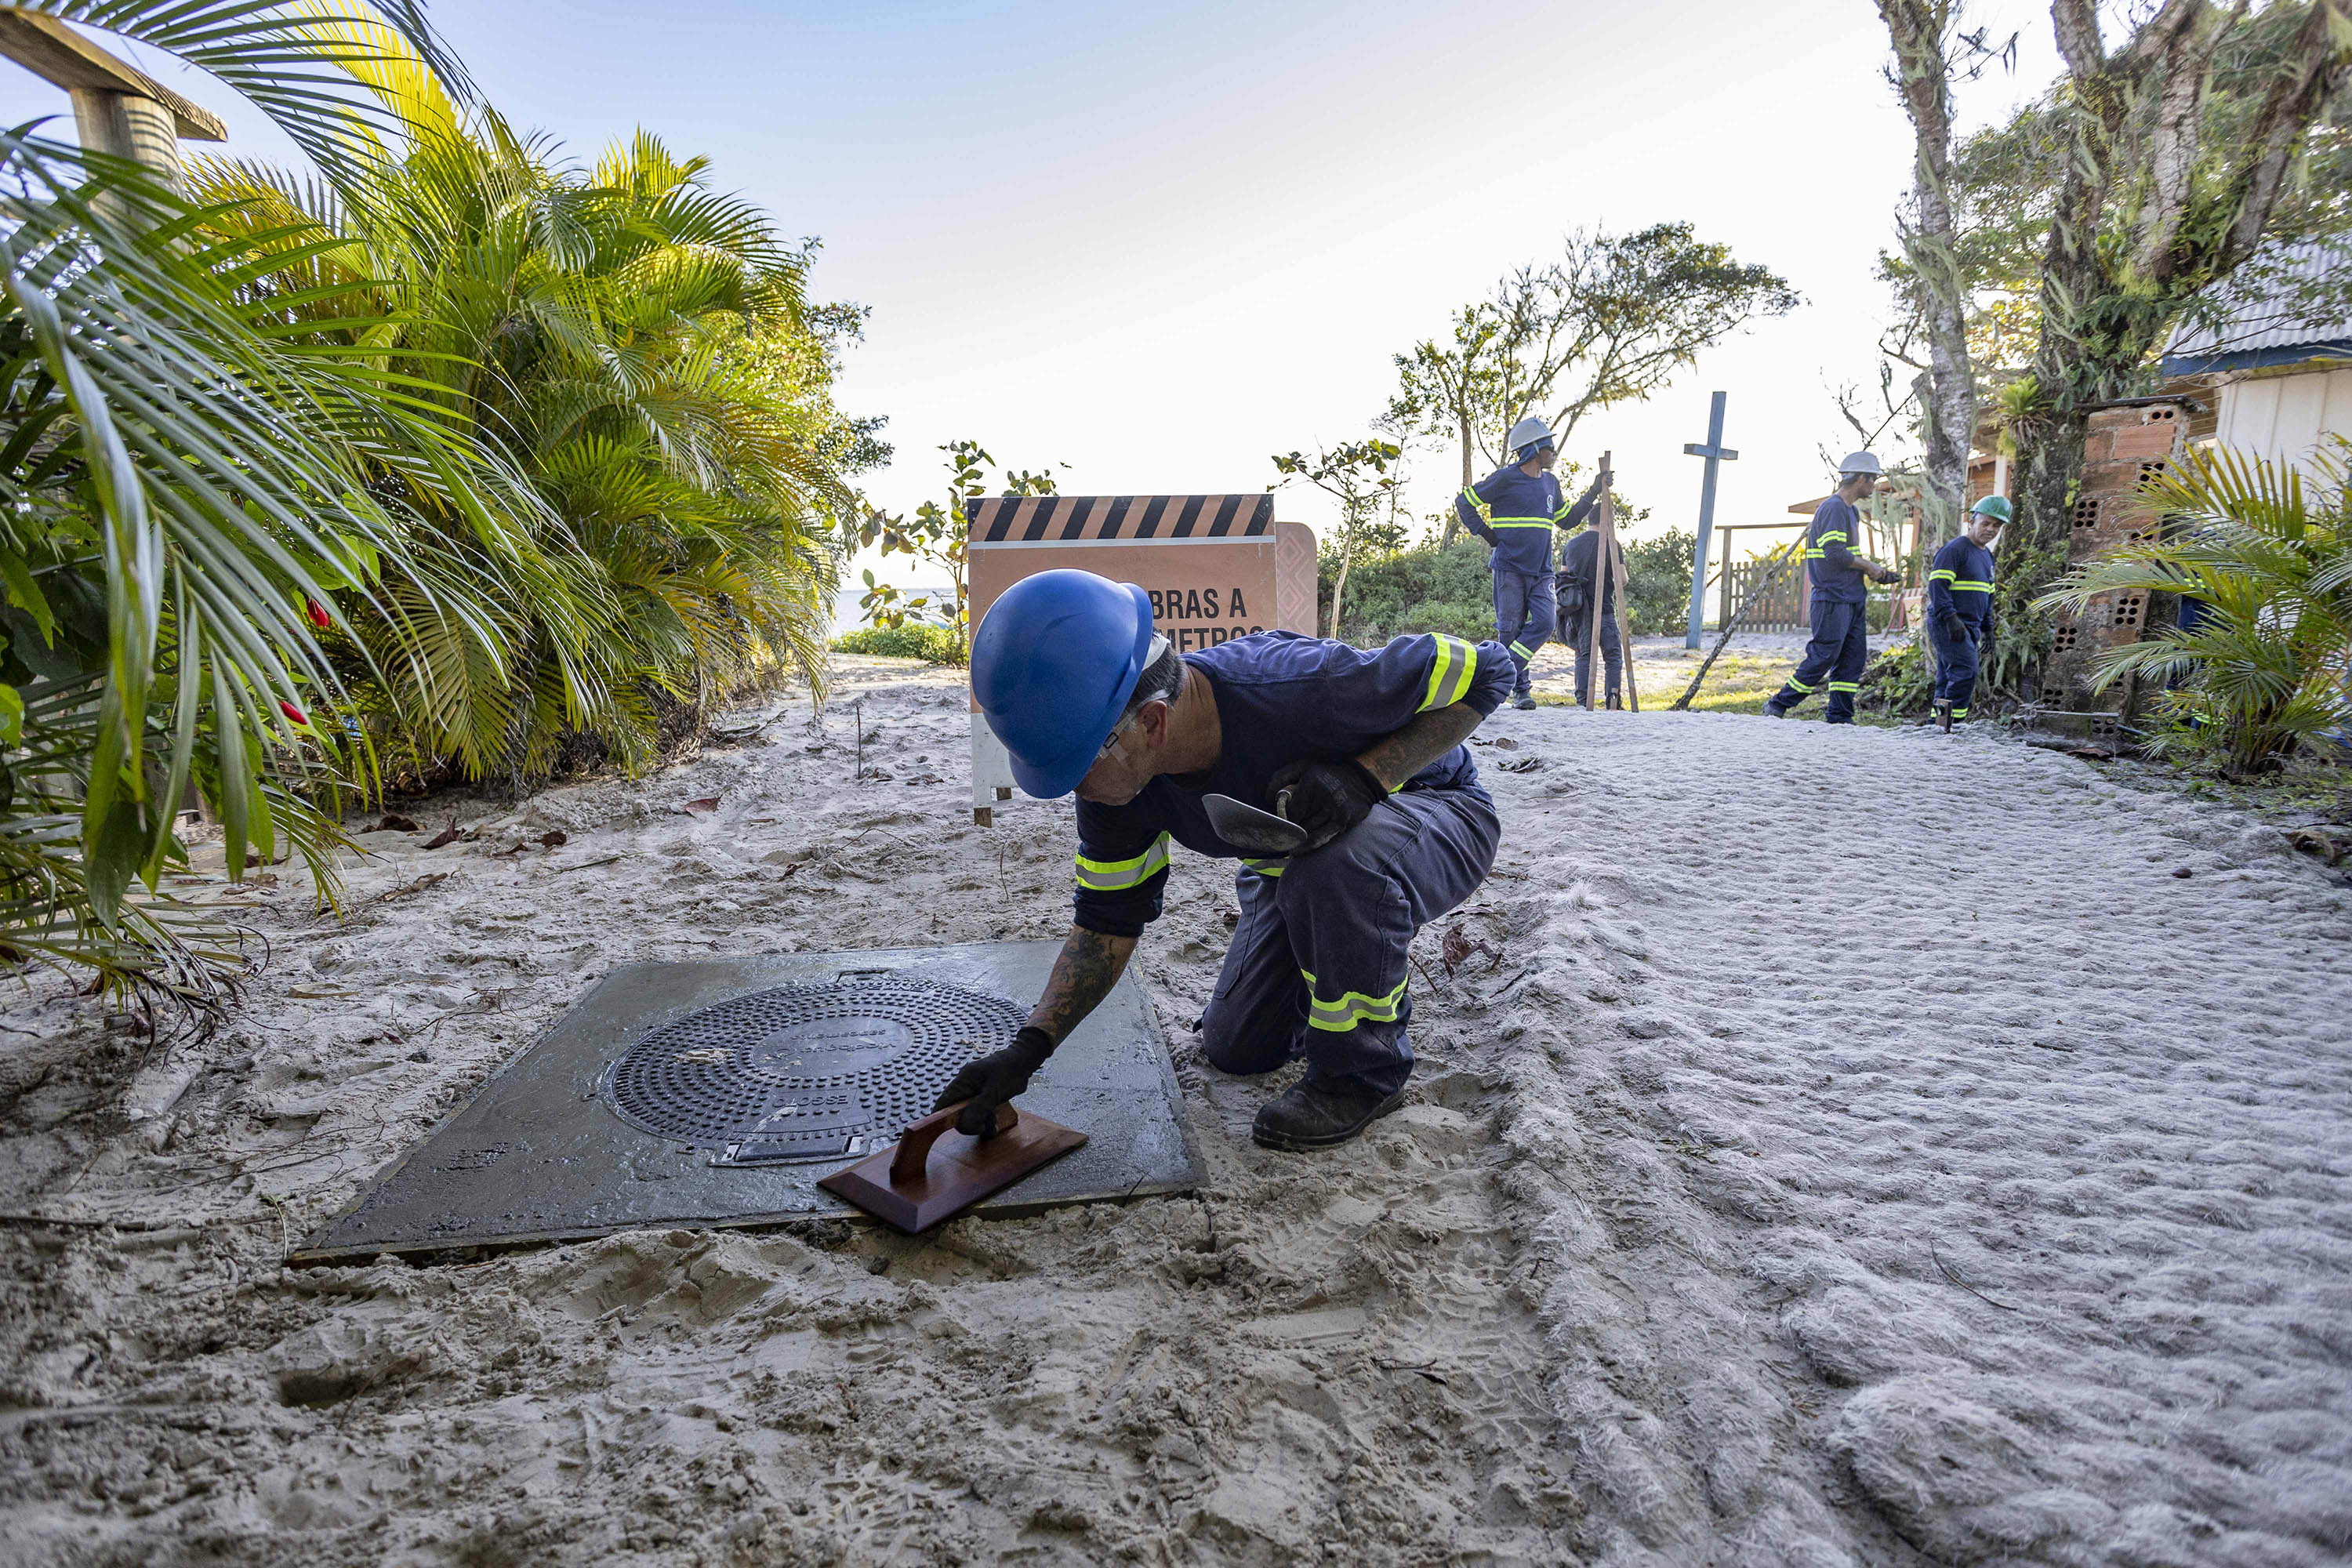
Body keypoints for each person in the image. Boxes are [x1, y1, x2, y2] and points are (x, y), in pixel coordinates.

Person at [944, 568, 1509, 1152]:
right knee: (1238, 1048)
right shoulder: (1120, 781)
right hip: (1295, 856)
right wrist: (1029, 1048)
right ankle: (1331, 957)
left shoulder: (1301, 686)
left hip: (1437, 811)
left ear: (1152, 723)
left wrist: (1370, 775)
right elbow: (1104, 928)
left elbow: (1490, 672)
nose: (1073, 790)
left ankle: (1363, 1074)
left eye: (1078, 766)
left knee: (1338, 872)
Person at [1454, 419, 1608, 710]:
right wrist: (1486, 533)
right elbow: (1464, 502)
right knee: (1510, 629)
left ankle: (1497, 675)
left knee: (1545, 621)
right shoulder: (1504, 479)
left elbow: (1568, 520)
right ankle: (1520, 691)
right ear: (1534, 448)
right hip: (1509, 569)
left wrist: (1593, 491)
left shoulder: (1551, 483)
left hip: (1541, 571)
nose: (1554, 451)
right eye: (1549, 445)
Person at [1763, 452, 1904, 723]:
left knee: (1852, 658)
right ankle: (1778, 704)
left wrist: (1876, 573)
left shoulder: (1850, 511)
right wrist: (1870, 567)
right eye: (1873, 479)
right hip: (1832, 596)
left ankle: (1840, 715)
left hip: (1851, 596)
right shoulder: (1834, 508)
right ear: (1861, 478)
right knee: (1824, 654)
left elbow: (1846, 555)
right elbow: (1835, 554)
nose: (1874, 485)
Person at [1925, 495, 2006, 729]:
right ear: (1972, 520)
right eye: (1986, 523)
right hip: (1949, 623)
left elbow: (1988, 594)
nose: (1991, 529)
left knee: (1946, 678)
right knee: (1965, 672)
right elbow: (1937, 587)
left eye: (1997, 526)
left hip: (1972, 625)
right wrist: (1951, 619)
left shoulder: (1986, 556)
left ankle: (1938, 724)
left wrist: (1988, 629)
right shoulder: (1954, 550)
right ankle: (1954, 723)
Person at [1555, 488, 1624, 710]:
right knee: (1612, 654)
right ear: (1608, 521)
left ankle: (1583, 701)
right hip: (1603, 608)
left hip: (1577, 611)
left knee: (1584, 655)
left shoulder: (1571, 545)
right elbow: (1622, 579)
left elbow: (1564, 578)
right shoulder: (1612, 544)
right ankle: (1613, 699)